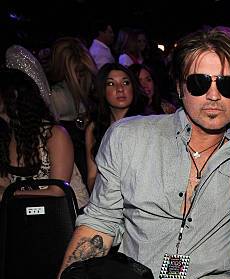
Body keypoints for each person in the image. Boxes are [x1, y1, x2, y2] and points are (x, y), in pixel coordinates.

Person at [11, 26, 230, 279]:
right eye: (200, 81)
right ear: (178, 83)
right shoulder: (129, 137)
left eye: (227, 83)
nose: (213, 95)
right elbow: (99, 223)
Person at [0, 68, 89, 208]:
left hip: (64, 216)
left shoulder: (54, 134)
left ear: (13, 96)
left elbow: (57, 191)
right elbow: (3, 183)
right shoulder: (6, 136)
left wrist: (10, 194)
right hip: (24, 217)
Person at [85, 63, 145, 191]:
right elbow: (92, 177)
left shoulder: (144, 124)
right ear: (102, 90)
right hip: (105, 199)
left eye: (126, 83)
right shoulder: (94, 127)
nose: (120, 89)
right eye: (111, 84)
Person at [48, 37, 98, 185]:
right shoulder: (55, 95)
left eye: (82, 72)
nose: (80, 76)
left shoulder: (92, 91)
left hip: (88, 156)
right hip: (68, 160)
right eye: (77, 71)